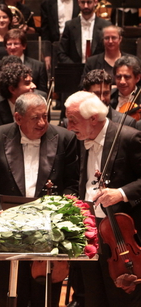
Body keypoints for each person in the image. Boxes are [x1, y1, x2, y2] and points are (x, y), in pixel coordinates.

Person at [0, 92, 79, 307]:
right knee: (12, 296)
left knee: (46, 299)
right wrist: (0, 216)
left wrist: (61, 213)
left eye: (45, 116)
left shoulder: (64, 138)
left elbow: (72, 183)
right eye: (35, 118)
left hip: (49, 234)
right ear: (18, 118)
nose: (42, 123)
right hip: (8, 232)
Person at [65, 91, 141, 307]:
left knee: (122, 300)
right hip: (91, 236)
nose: (69, 127)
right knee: (92, 298)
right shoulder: (80, 140)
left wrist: (121, 193)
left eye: (73, 121)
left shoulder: (128, 137)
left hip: (122, 238)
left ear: (93, 118)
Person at [0, 29, 48, 97]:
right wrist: (7, 93)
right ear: (5, 47)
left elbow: (43, 93)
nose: (12, 47)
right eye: (9, 44)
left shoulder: (38, 66)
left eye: (16, 43)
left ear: (24, 46)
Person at [58, 0, 111, 64]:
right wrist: (74, 68)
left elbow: (109, 51)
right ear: (78, 3)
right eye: (83, 2)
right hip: (75, 70)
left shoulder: (106, 25)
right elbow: (62, 53)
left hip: (98, 70)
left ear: (95, 2)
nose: (86, 6)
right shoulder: (70, 25)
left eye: (89, 2)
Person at [40, 0, 80, 70]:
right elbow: (45, 30)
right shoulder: (47, 3)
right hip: (55, 47)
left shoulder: (79, 2)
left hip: (75, 47)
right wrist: (47, 54)